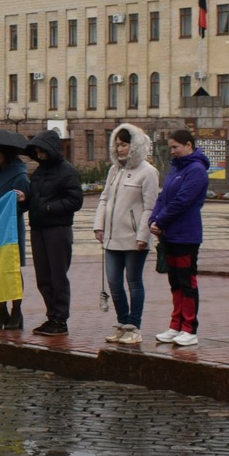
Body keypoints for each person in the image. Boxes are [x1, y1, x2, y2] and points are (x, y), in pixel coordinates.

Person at [93, 123, 158, 345]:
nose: (121, 149)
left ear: (135, 145)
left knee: (133, 282)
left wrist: (143, 235)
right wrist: (98, 225)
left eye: (125, 144)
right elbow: (104, 198)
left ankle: (134, 326)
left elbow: (150, 207)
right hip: (112, 238)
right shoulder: (114, 170)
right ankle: (122, 323)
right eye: (118, 144)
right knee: (113, 282)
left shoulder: (148, 172)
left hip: (133, 239)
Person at [148, 129, 209, 346]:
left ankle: (189, 328)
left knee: (186, 282)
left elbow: (182, 201)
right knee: (175, 282)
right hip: (171, 234)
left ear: (189, 146)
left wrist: (160, 221)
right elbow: (163, 197)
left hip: (186, 235)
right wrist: (153, 220)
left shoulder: (196, 170)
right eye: (171, 147)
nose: (172, 151)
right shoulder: (176, 169)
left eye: (175, 147)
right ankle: (176, 325)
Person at [23, 130, 82, 336]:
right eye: (37, 151)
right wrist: (25, 199)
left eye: (42, 151)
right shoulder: (38, 172)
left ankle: (60, 319)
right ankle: (51, 316)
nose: (40, 155)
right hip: (38, 228)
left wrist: (50, 208)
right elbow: (35, 197)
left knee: (58, 276)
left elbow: (75, 201)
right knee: (43, 277)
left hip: (58, 229)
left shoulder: (67, 172)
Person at [0, 144, 33, 330]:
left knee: (11, 270)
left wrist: (20, 201)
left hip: (11, 229)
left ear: (7, 153)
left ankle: (16, 311)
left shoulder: (19, 175)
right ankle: (1, 310)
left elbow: (25, 202)